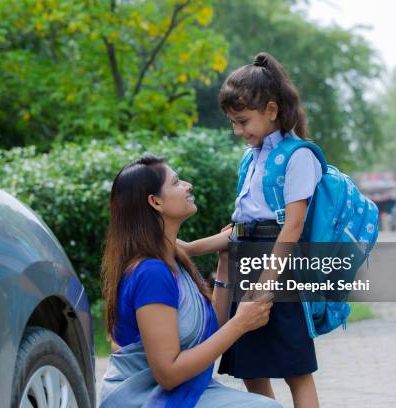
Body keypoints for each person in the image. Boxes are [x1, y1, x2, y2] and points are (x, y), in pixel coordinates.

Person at [178, 52, 321, 407]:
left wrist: (268, 281)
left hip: (280, 271)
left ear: (271, 110)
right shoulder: (250, 158)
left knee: (296, 370)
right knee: (252, 369)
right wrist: (190, 247)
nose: (238, 131)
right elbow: (240, 230)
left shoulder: (298, 156)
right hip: (246, 268)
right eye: (233, 122)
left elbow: (293, 227)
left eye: (243, 121)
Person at [99, 155, 281, 408]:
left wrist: (225, 264)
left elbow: (207, 332)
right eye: (176, 182)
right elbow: (169, 375)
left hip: (184, 393)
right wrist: (240, 324)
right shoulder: (151, 272)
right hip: (146, 400)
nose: (188, 185)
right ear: (155, 202)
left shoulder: (173, 260)